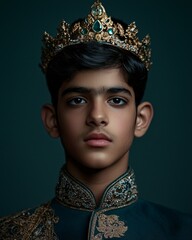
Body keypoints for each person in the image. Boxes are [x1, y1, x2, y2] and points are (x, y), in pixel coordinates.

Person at [0, 0, 191, 239]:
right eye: (77, 100)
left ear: (141, 119)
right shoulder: (9, 233)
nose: (97, 117)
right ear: (52, 120)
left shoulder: (183, 231)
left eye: (117, 100)